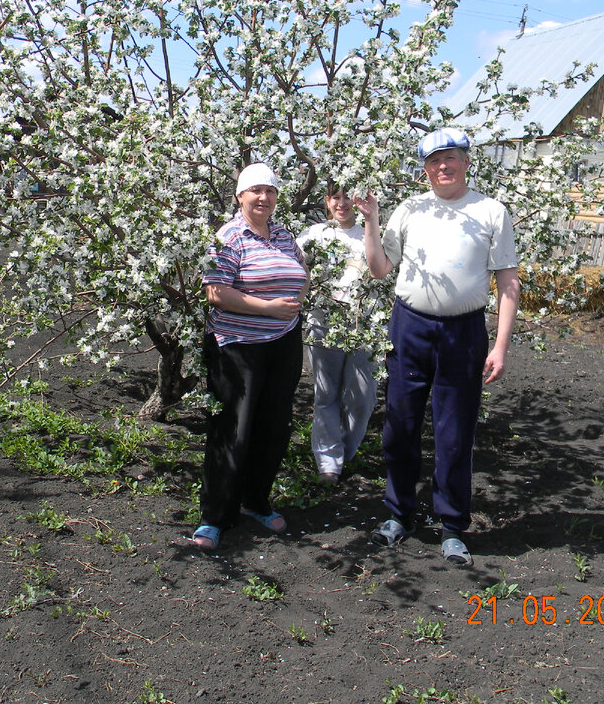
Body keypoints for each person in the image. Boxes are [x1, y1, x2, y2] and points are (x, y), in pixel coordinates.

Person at [354, 128, 520, 566]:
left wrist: (500, 346)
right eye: (433, 161)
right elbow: (380, 268)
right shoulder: (410, 209)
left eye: (450, 158)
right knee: (400, 425)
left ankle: (452, 527)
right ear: (424, 169)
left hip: (463, 334)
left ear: (466, 162)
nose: (442, 166)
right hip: (410, 328)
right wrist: (371, 220)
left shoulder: (490, 211)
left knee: (455, 432)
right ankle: (399, 514)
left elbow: (507, 281)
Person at [192, 163, 308, 551]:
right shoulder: (228, 237)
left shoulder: (283, 235)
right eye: (255, 190)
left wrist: (293, 304)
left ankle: (256, 501)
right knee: (233, 428)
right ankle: (215, 516)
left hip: (283, 343)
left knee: (273, 427)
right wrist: (269, 308)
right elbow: (215, 292)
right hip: (238, 346)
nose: (263, 197)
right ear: (239, 196)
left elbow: (301, 273)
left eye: (270, 191)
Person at [297, 186, 377, 485]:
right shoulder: (315, 234)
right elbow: (294, 263)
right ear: (327, 202)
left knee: (362, 397)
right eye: (335, 197)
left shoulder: (371, 232)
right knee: (326, 394)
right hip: (324, 322)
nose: (342, 204)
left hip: (365, 325)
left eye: (347, 197)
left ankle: (346, 449)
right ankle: (328, 462)